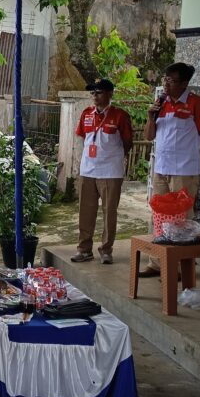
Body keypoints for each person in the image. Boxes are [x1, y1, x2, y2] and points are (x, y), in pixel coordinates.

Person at [139, 62, 200, 278]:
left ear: (184, 83)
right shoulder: (161, 103)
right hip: (161, 169)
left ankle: (182, 268)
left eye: (171, 81)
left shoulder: (196, 104)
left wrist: (190, 154)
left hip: (184, 171)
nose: (166, 84)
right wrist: (150, 116)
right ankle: (157, 264)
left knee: (182, 219)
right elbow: (149, 136)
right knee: (159, 215)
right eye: (165, 79)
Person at [71, 78, 133, 265]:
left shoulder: (120, 115)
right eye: (93, 92)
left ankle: (106, 250)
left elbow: (127, 142)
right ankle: (84, 249)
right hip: (88, 170)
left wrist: (114, 157)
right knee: (85, 212)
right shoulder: (86, 113)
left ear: (110, 94)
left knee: (109, 212)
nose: (95, 96)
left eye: (99, 92)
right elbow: (82, 136)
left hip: (111, 172)